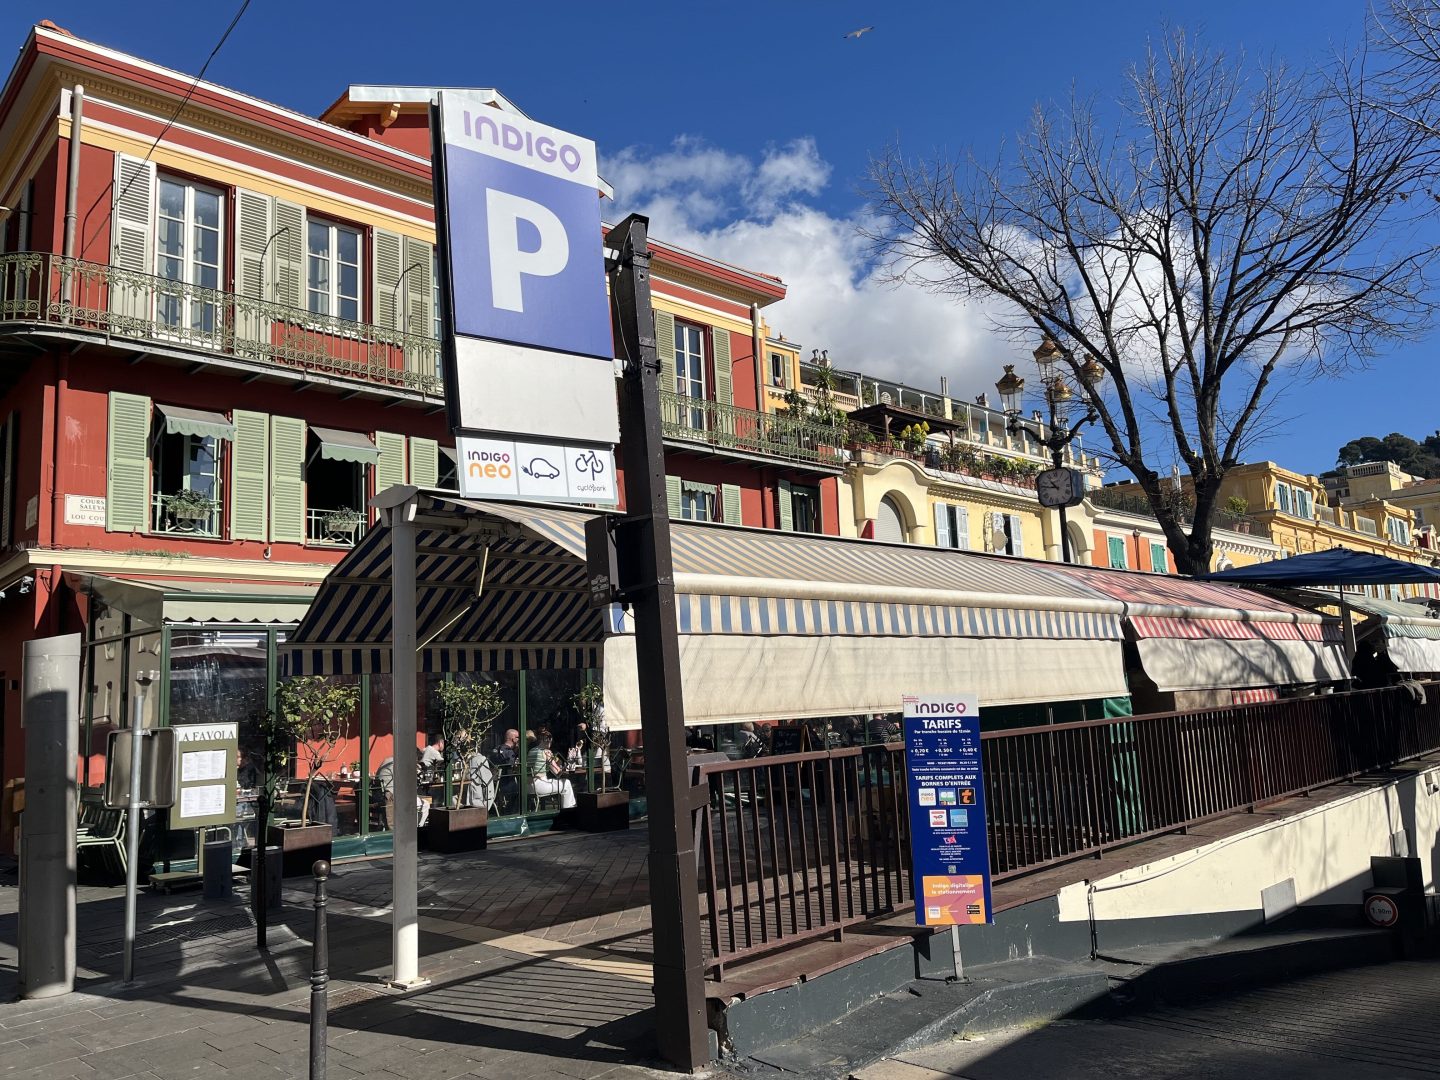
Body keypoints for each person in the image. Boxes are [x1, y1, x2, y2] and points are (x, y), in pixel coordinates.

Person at [528, 731, 576, 809]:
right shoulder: (546, 751)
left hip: (527, 786)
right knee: (566, 783)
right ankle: (568, 811)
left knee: (562, 783)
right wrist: (565, 768)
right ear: (544, 740)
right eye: (548, 740)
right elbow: (557, 773)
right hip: (539, 785)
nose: (549, 742)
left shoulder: (531, 750)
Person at [490, 728, 521, 813]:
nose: (519, 740)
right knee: (523, 790)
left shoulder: (497, 749)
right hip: (506, 783)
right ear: (513, 739)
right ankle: (510, 812)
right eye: (518, 737)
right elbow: (512, 768)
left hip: (494, 784)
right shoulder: (509, 752)